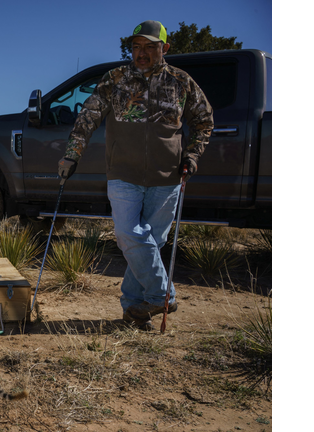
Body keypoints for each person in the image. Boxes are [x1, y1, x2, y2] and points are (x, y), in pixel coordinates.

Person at [57, 20, 214, 331]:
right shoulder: (115, 79)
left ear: (164, 48)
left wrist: (192, 155)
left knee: (151, 243)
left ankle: (134, 309)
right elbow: (88, 116)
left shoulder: (181, 82)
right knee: (129, 234)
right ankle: (162, 294)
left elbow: (204, 121)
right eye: (136, 47)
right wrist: (71, 154)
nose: (141, 53)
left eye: (149, 47)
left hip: (167, 177)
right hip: (123, 174)